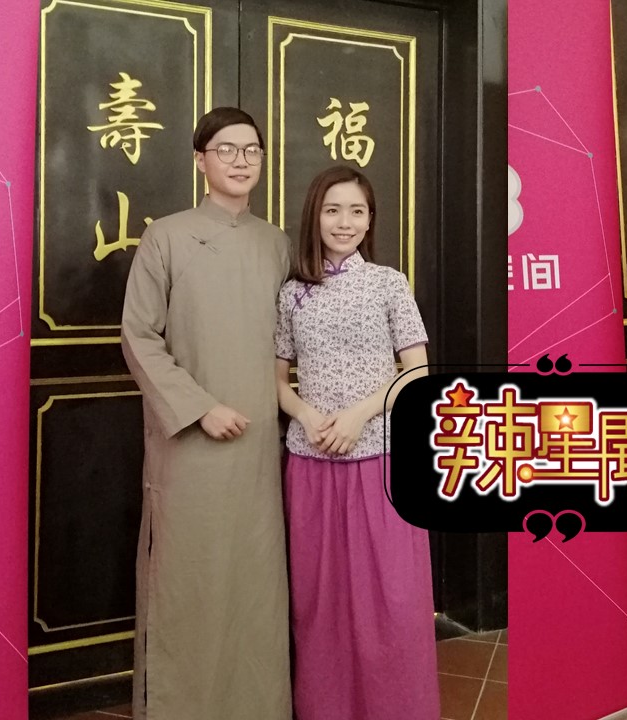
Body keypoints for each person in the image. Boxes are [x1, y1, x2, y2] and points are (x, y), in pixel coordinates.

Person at [120, 107, 293, 719]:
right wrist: (199, 408)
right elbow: (139, 337)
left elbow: (294, 339)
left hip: (260, 445)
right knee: (189, 577)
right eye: (226, 149)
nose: (241, 161)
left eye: (251, 150)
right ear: (200, 160)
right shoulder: (166, 236)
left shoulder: (277, 243)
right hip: (192, 442)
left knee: (255, 579)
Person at [274, 165, 437, 719]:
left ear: (370, 221)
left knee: (392, 600)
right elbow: (276, 380)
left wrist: (359, 415)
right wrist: (307, 414)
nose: (344, 222)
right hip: (311, 461)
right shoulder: (292, 293)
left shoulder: (389, 283)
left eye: (357, 211)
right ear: (314, 217)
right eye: (332, 210)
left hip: (382, 460)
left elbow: (417, 374)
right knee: (320, 600)